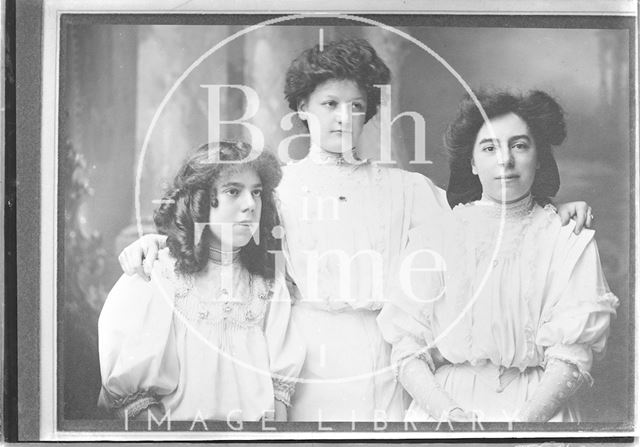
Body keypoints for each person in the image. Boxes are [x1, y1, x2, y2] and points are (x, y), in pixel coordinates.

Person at [117, 40, 594, 421]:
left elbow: (485, 224)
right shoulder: (273, 188)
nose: (344, 118)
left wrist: (557, 207)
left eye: (356, 105)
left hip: (390, 358)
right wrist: (157, 244)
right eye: (329, 104)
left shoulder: (407, 190)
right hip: (306, 357)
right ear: (302, 107)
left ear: (370, 112)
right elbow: (223, 242)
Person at [377, 90, 619, 422]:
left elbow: (572, 353)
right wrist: (450, 416)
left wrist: (522, 427)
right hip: (445, 413)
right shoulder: (434, 238)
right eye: (489, 148)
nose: (505, 160)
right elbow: (407, 348)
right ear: (473, 164)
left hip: (539, 412)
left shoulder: (567, 237)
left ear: (538, 157)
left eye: (519, 146)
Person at [98, 141, 303, 422]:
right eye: (233, 191)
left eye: (256, 193)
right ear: (200, 201)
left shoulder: (267, 282)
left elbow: (279, 394)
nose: (250, 205)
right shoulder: (157, 274)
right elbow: (135, 400)